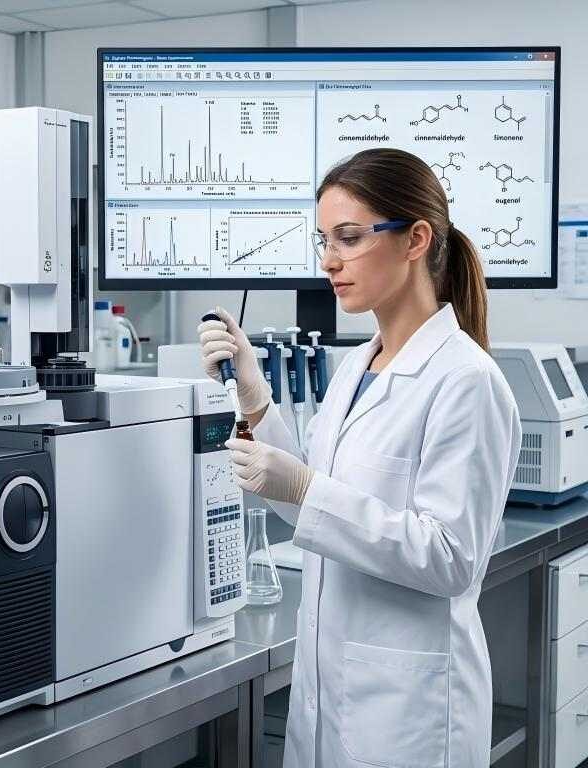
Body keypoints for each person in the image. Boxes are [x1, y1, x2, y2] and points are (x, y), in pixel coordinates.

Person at [198, 147, 519, 767]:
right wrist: (254, 391)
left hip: (409, 713)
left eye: (348, 238)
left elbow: (450, 558)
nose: (328, 260)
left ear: (415, 239)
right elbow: (313, 511)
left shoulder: (465, 380)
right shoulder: (358, 366)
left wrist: (304, 489)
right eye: (324, 240)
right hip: (330, 694)